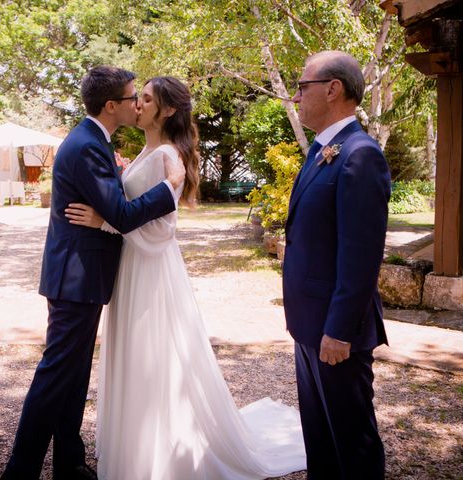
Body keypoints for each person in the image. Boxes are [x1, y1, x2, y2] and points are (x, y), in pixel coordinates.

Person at [65, 76, 306, 480]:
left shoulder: (169, 159)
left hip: (151, 271)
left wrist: (106, 223)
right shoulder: (148, 151)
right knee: (135, 356)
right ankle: (135, 446)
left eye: (145, 99)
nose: (137, 104)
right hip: (131, 268)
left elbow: (163, 231)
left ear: (168, 110)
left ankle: (160, 456)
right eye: (136, 97)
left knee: (153, 359)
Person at [1, 66, 185, 480]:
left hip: (83, 276)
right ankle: (19, 471)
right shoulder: (86, 145)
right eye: (131, 97)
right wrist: (168, 189)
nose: (136, 103)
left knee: (73, 373)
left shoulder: (95, 143)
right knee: (55, 376)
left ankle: (70, 462)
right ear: (110, 105)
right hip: (76, 278)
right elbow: (121, 215)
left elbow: (110, 206)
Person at [283, 51, 390, 479]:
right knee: (321, 441)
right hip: (309, 323)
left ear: (333, 89)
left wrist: (339, 330)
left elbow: (361, 255)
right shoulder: (322, 150)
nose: (296, 96)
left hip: (335, 331)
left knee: (352, 444)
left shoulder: (360, 155)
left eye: (302, 86)